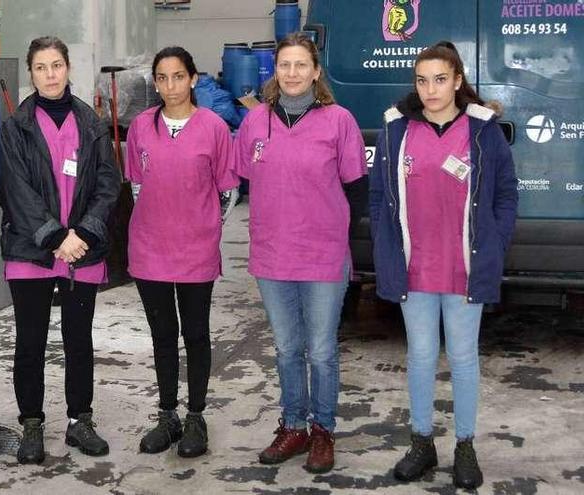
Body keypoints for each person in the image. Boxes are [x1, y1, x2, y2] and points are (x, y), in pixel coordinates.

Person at [370, 41, 518, 490]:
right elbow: (379, 196)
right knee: (418, 357)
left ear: (457, 81)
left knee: (463, 358)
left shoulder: (482, 131)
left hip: (464, 270)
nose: (430, 89)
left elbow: (507, 194)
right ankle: (421, 443)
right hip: (414, 269)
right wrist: (384, 241)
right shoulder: (397, 130)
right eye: (422, 80)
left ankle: (465, 446)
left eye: (440, 79)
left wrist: (494, 241)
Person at [234, 33, 367, 474]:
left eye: (299, 65)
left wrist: (339, 238)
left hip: (323, 256)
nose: (291, 73)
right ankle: (294, 426)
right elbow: (240, 183)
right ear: (275, 71)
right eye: (283, 65)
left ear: (315, 70)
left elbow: (356, 190)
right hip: (272, 256)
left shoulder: (339, 121)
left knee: (322, 350)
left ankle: (323, 431)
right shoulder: (255, 123)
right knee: (288, 347)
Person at [0, 36, 121, 464]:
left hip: (81, 250)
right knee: (30, 341)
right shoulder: (15, 127)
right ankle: (31, 424)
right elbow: (16, 191)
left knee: (78, 339)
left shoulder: (91, 122)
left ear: (67, 68)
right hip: (32, 250)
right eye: (40, 68)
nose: (50, 75)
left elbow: (108, 184)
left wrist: (83, 233)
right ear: (30, 74)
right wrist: (56, 237)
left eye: (56, 66)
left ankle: (79, 421)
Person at [124, 46, 238, 458]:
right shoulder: (140, 127)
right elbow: (136, 186)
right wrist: (159, 222)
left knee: (196, 333)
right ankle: (167, 414)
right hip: (150, 249)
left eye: (178, 76)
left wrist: (204, 226)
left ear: (193, 79)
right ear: (155, 84)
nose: (170, 85)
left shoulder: (213, 127)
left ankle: (195, 416)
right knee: (162, 335)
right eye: (162, 78)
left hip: (196, 250)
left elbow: (228, 190)